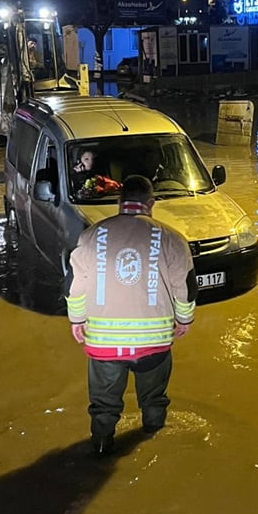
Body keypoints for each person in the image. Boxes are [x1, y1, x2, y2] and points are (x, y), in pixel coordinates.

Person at [66, 174, 197, 454]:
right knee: (154, 398)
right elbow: (185, 287)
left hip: (104, 342)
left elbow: (74, 287)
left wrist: (76, 321)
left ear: (120, 202)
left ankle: (101, 445)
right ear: (150, 203)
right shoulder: (172, 238)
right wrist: (184, 320)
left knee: (103, 404)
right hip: (153, 342)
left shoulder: (90, 235)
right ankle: (154, 437)